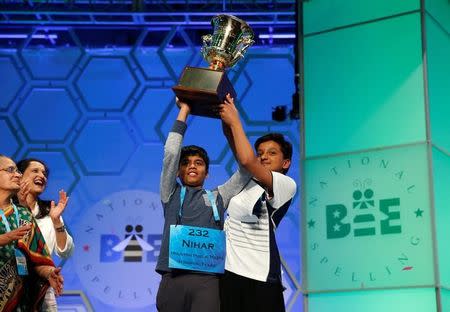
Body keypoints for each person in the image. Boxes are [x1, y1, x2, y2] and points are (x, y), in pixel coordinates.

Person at [155, 100, 251, 312]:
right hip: (173, 277)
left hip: (207, 280)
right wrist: (185, 110)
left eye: (198, 163)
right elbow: (171, 154)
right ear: (178, 172)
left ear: (207, 173)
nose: (191, 166)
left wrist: (232, 124)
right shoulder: (170, 193)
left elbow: (246, 170)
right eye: (186, 163)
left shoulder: (218, 197)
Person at [218, 94, 297, 312]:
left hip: (261, 278)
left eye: (272, 153)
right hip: (230, 273)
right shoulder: (245, 179)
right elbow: (233, 141)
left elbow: (246, 159)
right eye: (260, 153)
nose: (263, 157)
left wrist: (236, 120)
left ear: (286, 162)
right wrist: (222, 103)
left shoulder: (285, 184)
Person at [0, 154, 64, 312]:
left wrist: (49, 273)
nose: (17, 175)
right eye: (10, 170)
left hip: (20, 299)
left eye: (18, 171)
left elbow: (37, 259)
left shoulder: (23, 214)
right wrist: (3, 238)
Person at [16, 158, 74, 312]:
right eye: (35, 171)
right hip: (10, 283)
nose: (42, 175)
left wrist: (56, 221)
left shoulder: (50, 210)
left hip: (42, 286)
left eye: (44, 173)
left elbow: (66, 252)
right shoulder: (7, 207)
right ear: (19, 176)